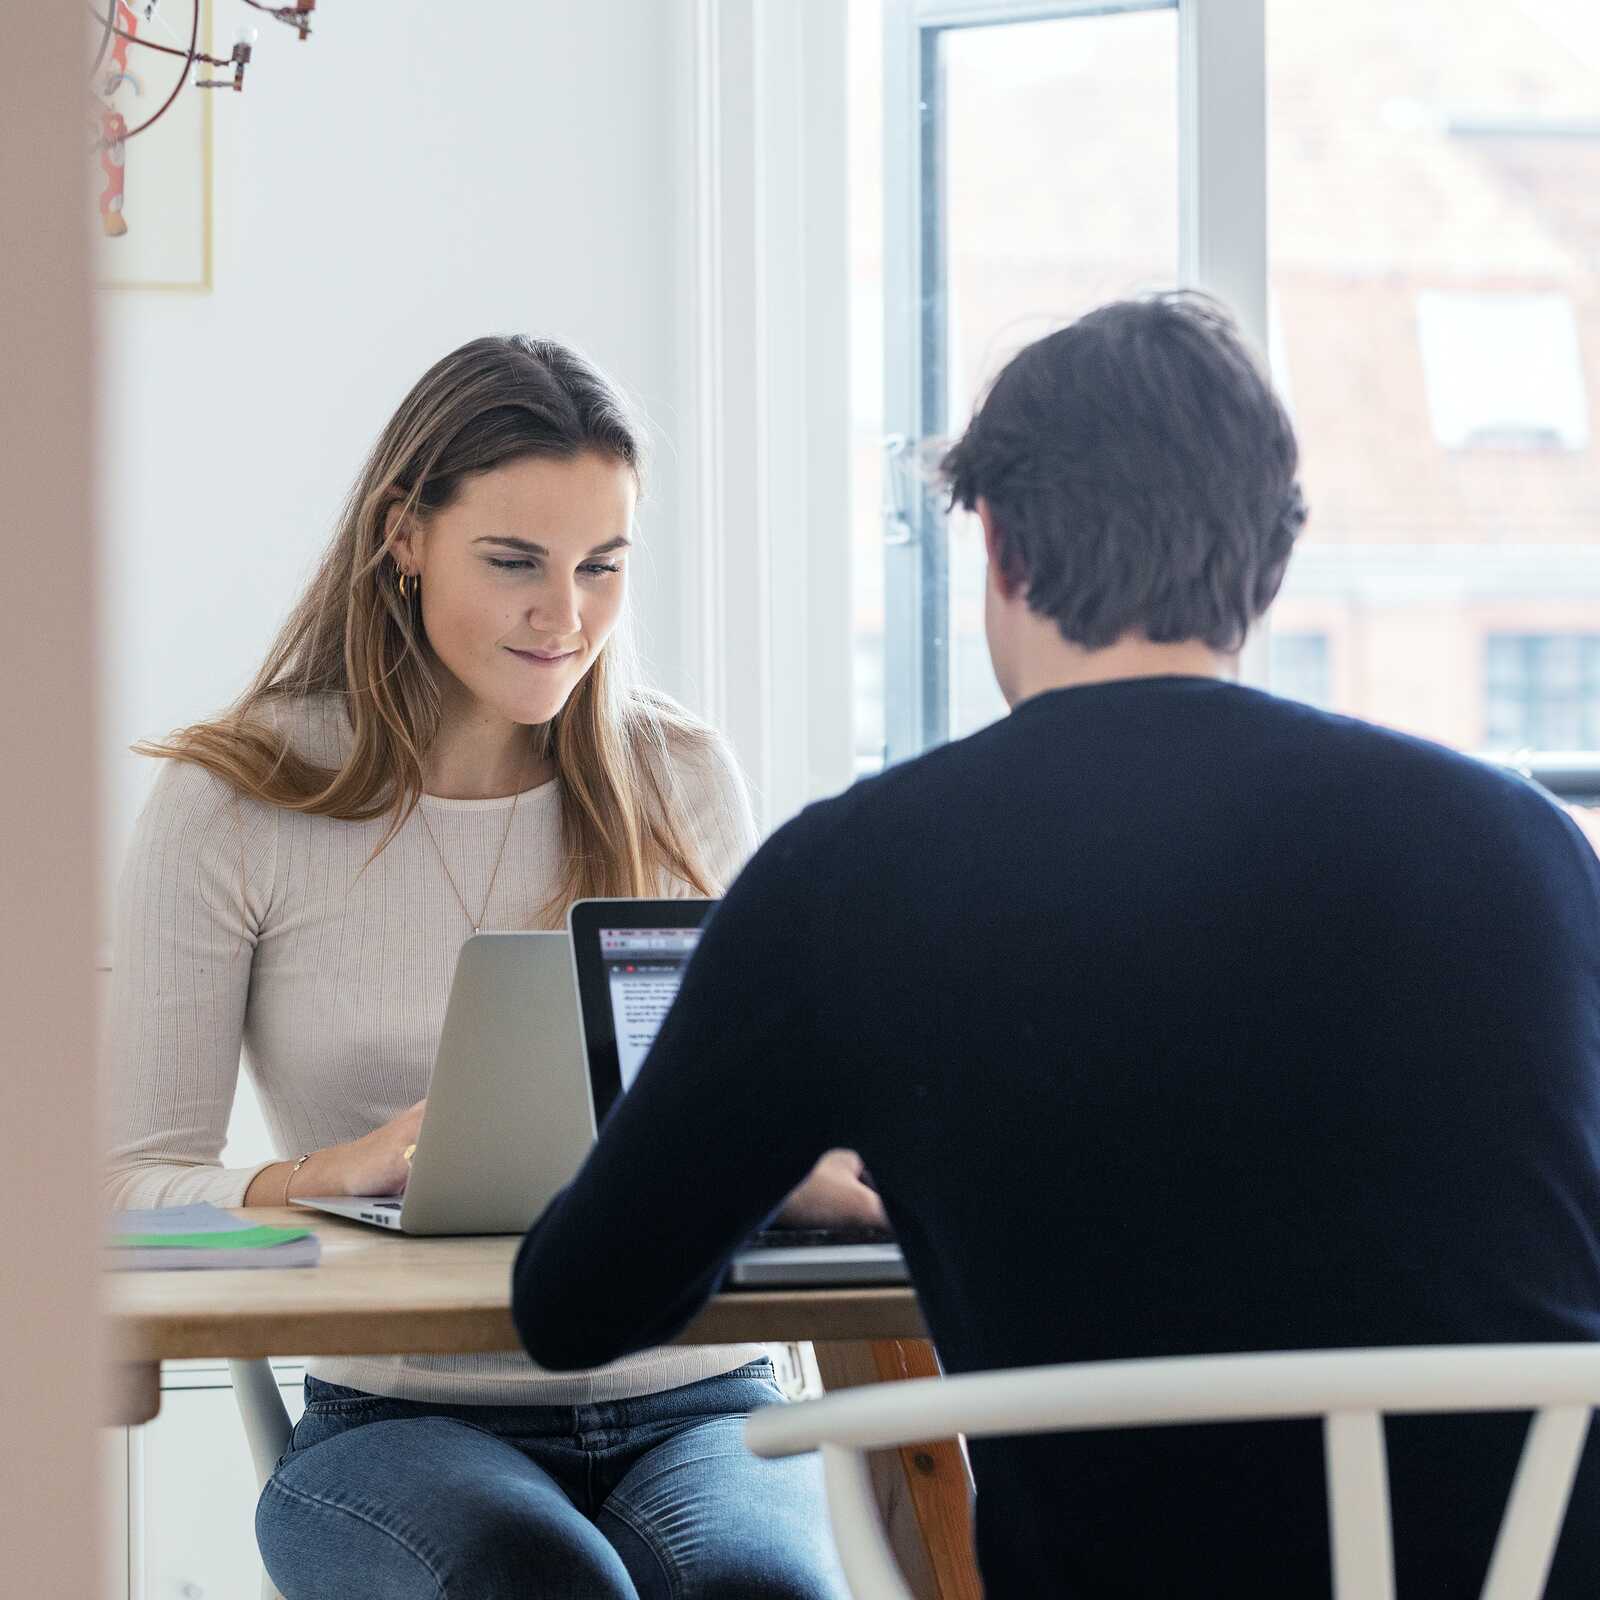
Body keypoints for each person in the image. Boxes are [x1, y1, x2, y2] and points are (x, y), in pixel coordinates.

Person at [512, 294, 1600, 1598]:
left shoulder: (853, 877)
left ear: (1003, 546)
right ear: (1270, 558)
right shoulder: (1521, 845)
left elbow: (578, 1306)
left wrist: (787, 1158)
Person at [104, 335, 881, 1600]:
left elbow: (759, 1098)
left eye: (602, 567)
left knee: (762, 1589)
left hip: (695, 1392)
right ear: (404, 536)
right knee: (536, 1581)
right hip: (404, 1426)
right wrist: (314, 1177)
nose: (563, 614)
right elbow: (126, 1188)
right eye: (515, 561)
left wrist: (805, 1157)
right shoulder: (236, 799)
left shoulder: (679, 776)